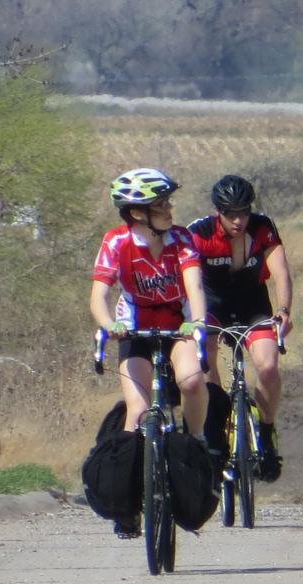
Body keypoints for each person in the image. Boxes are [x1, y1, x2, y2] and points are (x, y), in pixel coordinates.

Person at [88, 167, 210, 537]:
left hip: (177, 324)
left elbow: (194, 288)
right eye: (162, 204)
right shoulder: (115, 242)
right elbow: (99, 295)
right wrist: (109, 324)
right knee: (138, 411)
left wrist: (199, 321)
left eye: (169, 202)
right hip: (134, 330)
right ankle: (125, 509)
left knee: (191, 381)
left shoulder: (183, 239)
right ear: (138, 212)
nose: (171, 209)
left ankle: (196, 441)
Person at [186, 175, 292, 482]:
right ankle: (215, 424)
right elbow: (187, 278)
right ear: (218, 211)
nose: (238, 220)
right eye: (231, 214)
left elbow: (281, 273)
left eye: (244, 212)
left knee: (269, 367)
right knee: (204, 355)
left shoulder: (262, 228)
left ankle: (267, 431)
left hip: (252, 305)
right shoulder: (199, 233)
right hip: (213, 306)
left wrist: (284, 311)